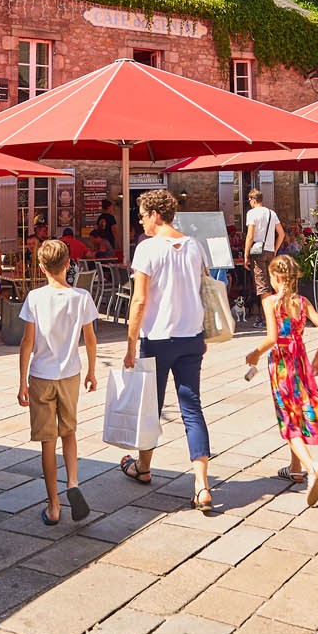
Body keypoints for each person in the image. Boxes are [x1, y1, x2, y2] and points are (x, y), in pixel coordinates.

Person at [119, 188, 215, 510]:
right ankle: (201, 485)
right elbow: (201, 288)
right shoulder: (194, 246)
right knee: (192, 408)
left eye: (143, 215)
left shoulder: (147, 249)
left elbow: (140, 300)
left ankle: (143, 468)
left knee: (151, 408)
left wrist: (130, 344)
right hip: (191, 336)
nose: (141, 221)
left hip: (158, 339)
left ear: (156, 215)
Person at [18, 239, 99, 526]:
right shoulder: (81, 297)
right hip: (71, 374)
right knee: (70, 431)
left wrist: (21, 382)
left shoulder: (35, 298)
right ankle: (73, 482)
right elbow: (90, 339)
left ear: (41, 267)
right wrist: (92, 372)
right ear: (69, 264)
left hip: (41, 375)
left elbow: (27, 343)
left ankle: (54, 506)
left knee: (47, 442)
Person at [245, 253, 318, 505]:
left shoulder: (270, 303)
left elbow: (272, 339)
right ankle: (294, 469)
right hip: (301, 363)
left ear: (274, 277)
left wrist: (255, 353)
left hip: (282, 365)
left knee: (288, 419)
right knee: (298, 412)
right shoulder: (302, 302)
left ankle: (311, 466)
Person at [243, 188, 285, 326]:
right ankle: (276, 315)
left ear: (254, 200)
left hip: (258, 252)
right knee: (272, 284)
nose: (249, 203)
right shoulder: (271, 213)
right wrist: (274, 249)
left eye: (249, 200)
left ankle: (267, 319)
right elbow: (282, 234)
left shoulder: (252, 213)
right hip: (270, 251)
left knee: (262, 287)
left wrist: (245, 255)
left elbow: (250, 236)